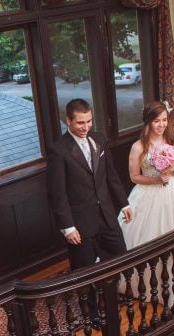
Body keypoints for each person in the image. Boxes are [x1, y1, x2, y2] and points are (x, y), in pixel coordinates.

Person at [47, 98, 133, 272]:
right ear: (68, 120)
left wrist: (124, 203)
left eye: (89, 121)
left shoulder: (99, 139)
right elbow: (57, 193)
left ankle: (113, 297)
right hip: (81, 224)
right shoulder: (58, 151)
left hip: (107, 217)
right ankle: (91, 300)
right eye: (80, 123)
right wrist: (67, 227)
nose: (86, 127)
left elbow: (111, 176)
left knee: (121, 263)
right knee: (84, 274)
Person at [120, 100, 174, 250]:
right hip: (147, 193)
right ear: (148, 122)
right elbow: (134, 176)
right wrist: (156, 179)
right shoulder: (138, 147)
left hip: (173, 190)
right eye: (156, 121)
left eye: (164, 120)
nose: (161, 125)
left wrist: (173, 167)